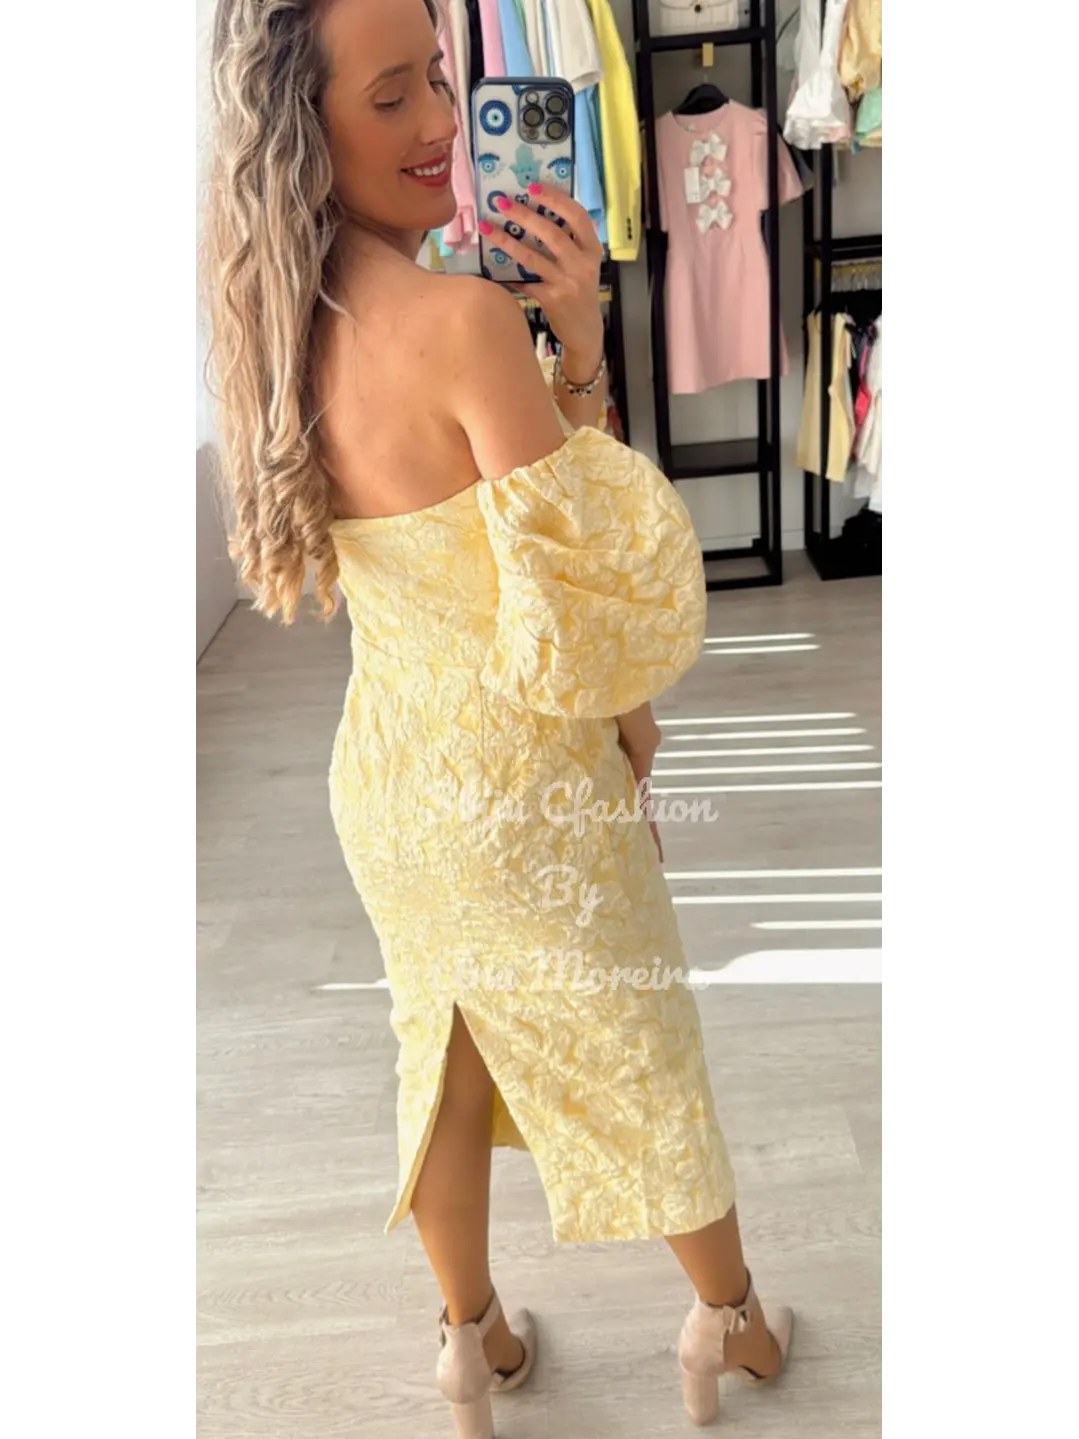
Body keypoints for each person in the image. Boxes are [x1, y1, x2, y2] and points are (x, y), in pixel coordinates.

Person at [202, 2, 793, 1435]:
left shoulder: (264, 318)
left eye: (439, 79)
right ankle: (730, 1326)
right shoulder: (465, 322)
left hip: (391, 778)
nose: (434, 125)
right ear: (303, 127)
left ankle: (472, 1345)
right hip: (523, 778)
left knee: (447, 1059)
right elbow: (577, 596)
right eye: (390, 95)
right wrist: (578, 344)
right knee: (637, 1040)